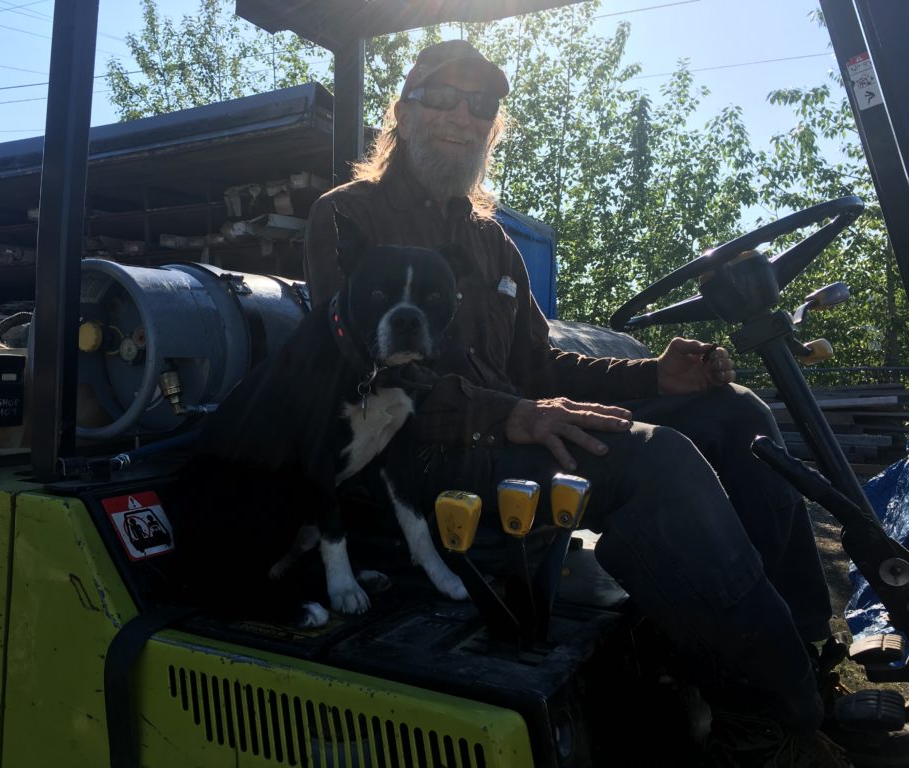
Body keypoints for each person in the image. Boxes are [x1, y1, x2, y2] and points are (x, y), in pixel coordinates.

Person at [303, 40, 850, 766]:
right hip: (413, 460)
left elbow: (537, 362)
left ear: (495, 126)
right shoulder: (348, 218)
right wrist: (509, 413)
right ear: (402, 112)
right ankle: (768, 721)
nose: (462, 116)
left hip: (501, 438)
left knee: (735, 413)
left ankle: (800, 649)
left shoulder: (492, 243)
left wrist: (654, 378)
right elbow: (361, 370)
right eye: (441, 97)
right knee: (652, 464)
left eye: (482, 104)